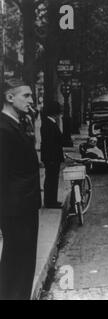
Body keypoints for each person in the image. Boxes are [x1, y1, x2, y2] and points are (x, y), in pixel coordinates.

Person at [0, 78, 41, 299]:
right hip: (15, 209)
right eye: (26, 96)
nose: (31, 100)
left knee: (23, 264)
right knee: (18, 264)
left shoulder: (16, 124)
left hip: (24, 205)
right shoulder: (3, 129)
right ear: (9, 97)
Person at [40, 101, 64, 209]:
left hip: (52, 157)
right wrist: (52, 158)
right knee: (51, 179)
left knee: (52, 179)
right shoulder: (49, 124)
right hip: (52, 157)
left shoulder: (49, 123)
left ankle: (51, 200)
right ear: (55, 112)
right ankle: (50, 202)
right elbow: (50, 143)